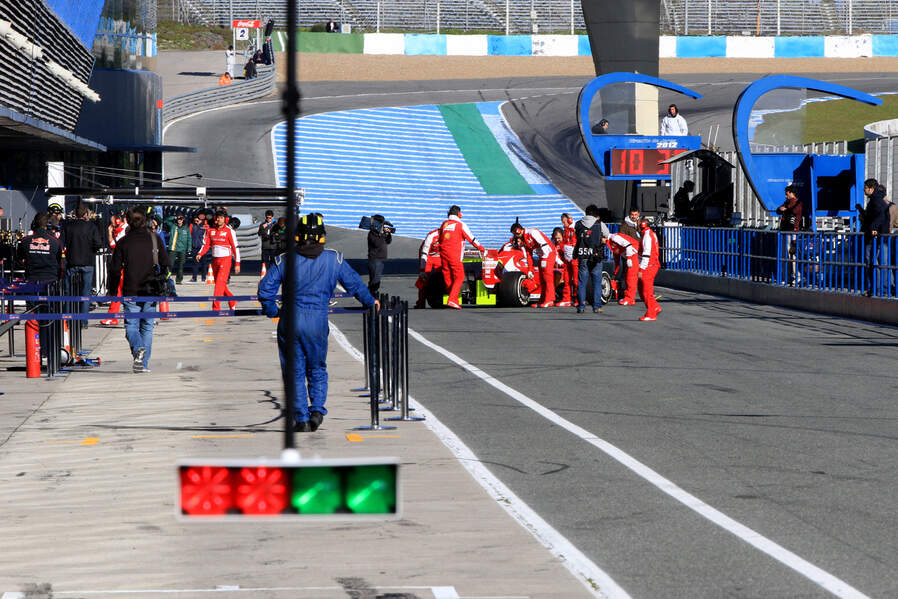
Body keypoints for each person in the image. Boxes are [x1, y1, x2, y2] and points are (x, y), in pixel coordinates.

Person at [258, 213, 379, 432]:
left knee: (294, 371)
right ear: (322, 237)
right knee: (316, 368)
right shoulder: (334, 259)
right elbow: (355, 286)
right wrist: (371, 302)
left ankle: (302, 418)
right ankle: (317, 410)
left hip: (290, 319)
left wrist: (272, 310)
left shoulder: (285, 260)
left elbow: (265, 290)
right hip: (317, 320)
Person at [107, 208, 171, 373]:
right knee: (148, 327)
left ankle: (137, 349)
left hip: (131, 289)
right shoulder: (155, 239)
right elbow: (166, 263)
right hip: (151, 289)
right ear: (145, 221)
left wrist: (112, 290)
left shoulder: (124, 242)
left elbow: (114, 269)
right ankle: (144, 364)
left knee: (131, 325)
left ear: (128, 221)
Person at [17, 213, 64, 361]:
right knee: (49, 317)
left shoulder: (25, 241)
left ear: (33, 225)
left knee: (32, 316)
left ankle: (34, 348)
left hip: (31, 282)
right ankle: (47, 348)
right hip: (49, 282)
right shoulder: (55, 242)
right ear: (48, 225)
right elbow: (61, 265)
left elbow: (19, 259)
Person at [438, 205, 485, 309]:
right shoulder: (461, 224)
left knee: (448, 275)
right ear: (459, 214)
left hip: (443, 253)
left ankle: (453, 298)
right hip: (454, 254)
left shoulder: (444, 224)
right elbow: (471, 238)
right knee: (459, 276)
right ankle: (452, 299)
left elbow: (440, 238)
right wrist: (481, 248)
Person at [63, 204, 103, 315]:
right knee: (85, 293)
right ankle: (83, 320)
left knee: (69, 292)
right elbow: (98, 243)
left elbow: (61, 243)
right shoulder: (91, 227)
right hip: (87, 262)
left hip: (72, 262)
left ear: (75, 214)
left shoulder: (68, 227)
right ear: (86, 214)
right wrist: (92, 250)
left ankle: (68, 317)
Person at [196, 210, 240, 310]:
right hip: (215, 260)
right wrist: (200, 253)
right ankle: (232, 300)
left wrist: (237, 263)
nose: (219, 219)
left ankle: (216, 308)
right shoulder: (211, 230)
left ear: (225, 219)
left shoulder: (230, 231)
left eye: (221, 217)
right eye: (218, 217)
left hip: (226, 260)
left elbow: (235, 248)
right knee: (220, 284)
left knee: (219, 284)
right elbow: (206, 244)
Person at [510, 221, 557, 308]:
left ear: (518, 230)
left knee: (547, 277)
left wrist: (545, 258)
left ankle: (550, 299)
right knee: (541, 278)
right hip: (542, 256)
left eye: (515, 234)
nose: (515, 236)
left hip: (548, 253)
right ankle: (543, 299)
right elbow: (529, 255)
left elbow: (544, 244)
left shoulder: (532, 232)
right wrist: (530, 270)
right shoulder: (523, 240)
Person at [574, 204, 610, 313]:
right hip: (596, 256)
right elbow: (607, 235)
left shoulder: (578, 224)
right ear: (596, 214)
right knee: (597, 282)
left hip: (582, 255)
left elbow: (577, 236)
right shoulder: (600, 224)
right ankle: (597, 306)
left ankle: (581, 306)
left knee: (582, 282)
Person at [858, 179, 890, 297]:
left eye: (865, 188)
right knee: (883, 264)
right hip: (883, 236)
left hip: (875, 237)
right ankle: (884, 290)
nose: (864, 190)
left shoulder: (875, 200)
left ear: (871, 188)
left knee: (871, 263)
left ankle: (874, 289)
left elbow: (880, 216)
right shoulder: (879, 200)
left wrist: (873, 227)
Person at [776, 184, 803, 286]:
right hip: (785, 231)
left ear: (792, 193)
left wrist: (785, 208)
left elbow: (793, 209)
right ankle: (786, 277)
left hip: (792, 231)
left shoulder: (798, 203)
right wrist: (784, 207)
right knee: (785, 255)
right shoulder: (787, 202)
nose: (785, 196)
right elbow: (778, 210)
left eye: (787, 194)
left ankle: (797, 277)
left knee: (792, 255)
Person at [637, 219, 661, 321]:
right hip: (652, 264)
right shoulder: (650, 233)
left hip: (649, 266)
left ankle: (651, 314)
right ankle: (655, 307)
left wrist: (641, 269)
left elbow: (646, 254)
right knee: (644, 290)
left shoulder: (646, 236)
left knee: (646, 291)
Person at [606, 232, 640, 305]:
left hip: (633, 254)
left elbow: (628, 245)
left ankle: (630, 299)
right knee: (629, 277)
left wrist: (629, 258)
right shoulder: (610, 242)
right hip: (631, 255)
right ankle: (629, 297)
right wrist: (615, 273)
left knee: (631, 278)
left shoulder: (614, 237)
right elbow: (616, 257)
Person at [415, 227, 441, 309]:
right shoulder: (432, 235)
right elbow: (424, 252)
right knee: (423, 278)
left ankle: (441, 299)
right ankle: (421, 302)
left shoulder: (451, 235)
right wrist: (422, 270)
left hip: (439, 256)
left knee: (444, 275)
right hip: (427, 255)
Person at [618, 207, 640, 298]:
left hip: (639, 252)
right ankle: (624, 291)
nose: (633, 217)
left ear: (638, 214)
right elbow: (622, 239)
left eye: (635, 215)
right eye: (632, 215)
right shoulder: (624, 225)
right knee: (626, 272)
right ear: (629, 215)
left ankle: (638, 291)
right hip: (628, 253)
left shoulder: (640, 224)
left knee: (639, 273)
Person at [367, 214, 392, 295]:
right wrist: (382, 234)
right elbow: (377, 243)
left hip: (380, 260)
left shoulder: (379, 233)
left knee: (376, 281)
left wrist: (388, 234)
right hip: (375, 260)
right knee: (374, 281)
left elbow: (388, 241)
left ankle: (371, 296)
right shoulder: (372, 233)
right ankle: (369, 296)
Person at [165, 213, 192, 285]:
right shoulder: (173, 226)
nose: (179, 220)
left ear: (183, 220)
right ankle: (167, 278)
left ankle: (179, 280)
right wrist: (174, 217)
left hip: (182, 250)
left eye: (181, 219)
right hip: (173, 249)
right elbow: (167, 220)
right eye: (178, 219)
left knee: (181, 265)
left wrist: (189, 249)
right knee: (170, 264)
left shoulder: (186, 228)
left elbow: (189, 239)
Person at [560, 213, 579, 306]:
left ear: (569, 220)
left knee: (576, 280)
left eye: (564, 222)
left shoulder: (577, 228)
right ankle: (566, 298)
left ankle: (577, 299)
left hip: (575, 258)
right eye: (562, 222)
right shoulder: (565, 231)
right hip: (567, 258)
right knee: (566, 279)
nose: (563, 224)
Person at [189, 211, 209, 282]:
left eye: (198, 219)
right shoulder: (192, 226)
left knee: (204, 263)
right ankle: (194, 278)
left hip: (202, 247)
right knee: (195, 263)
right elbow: (189, 236)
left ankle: (203, 278)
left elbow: (208, 235)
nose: (196, 220)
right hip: (194, 247)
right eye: (195, 219)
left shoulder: (205, 226)